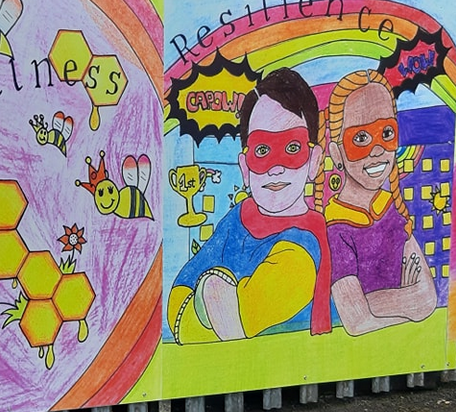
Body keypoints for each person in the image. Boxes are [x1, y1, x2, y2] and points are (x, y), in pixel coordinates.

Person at [167, 68, 331, 344]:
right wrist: (207, 302)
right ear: (245, 168)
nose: (276, 168)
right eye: (263, 150)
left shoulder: (304, 244)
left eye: (292, 148)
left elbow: (244, 316)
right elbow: (180, 293)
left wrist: (211, 293)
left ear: (314, 161)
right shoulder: (238, 218)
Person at [322, 70, 437, 336]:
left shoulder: (390, 209)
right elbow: (356, 321)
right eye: (360, 138)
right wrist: (404, 299)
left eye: (386, 133)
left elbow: (426, 299)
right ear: (337, 153)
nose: (377, 150)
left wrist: (370, 304)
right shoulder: (336, 229)